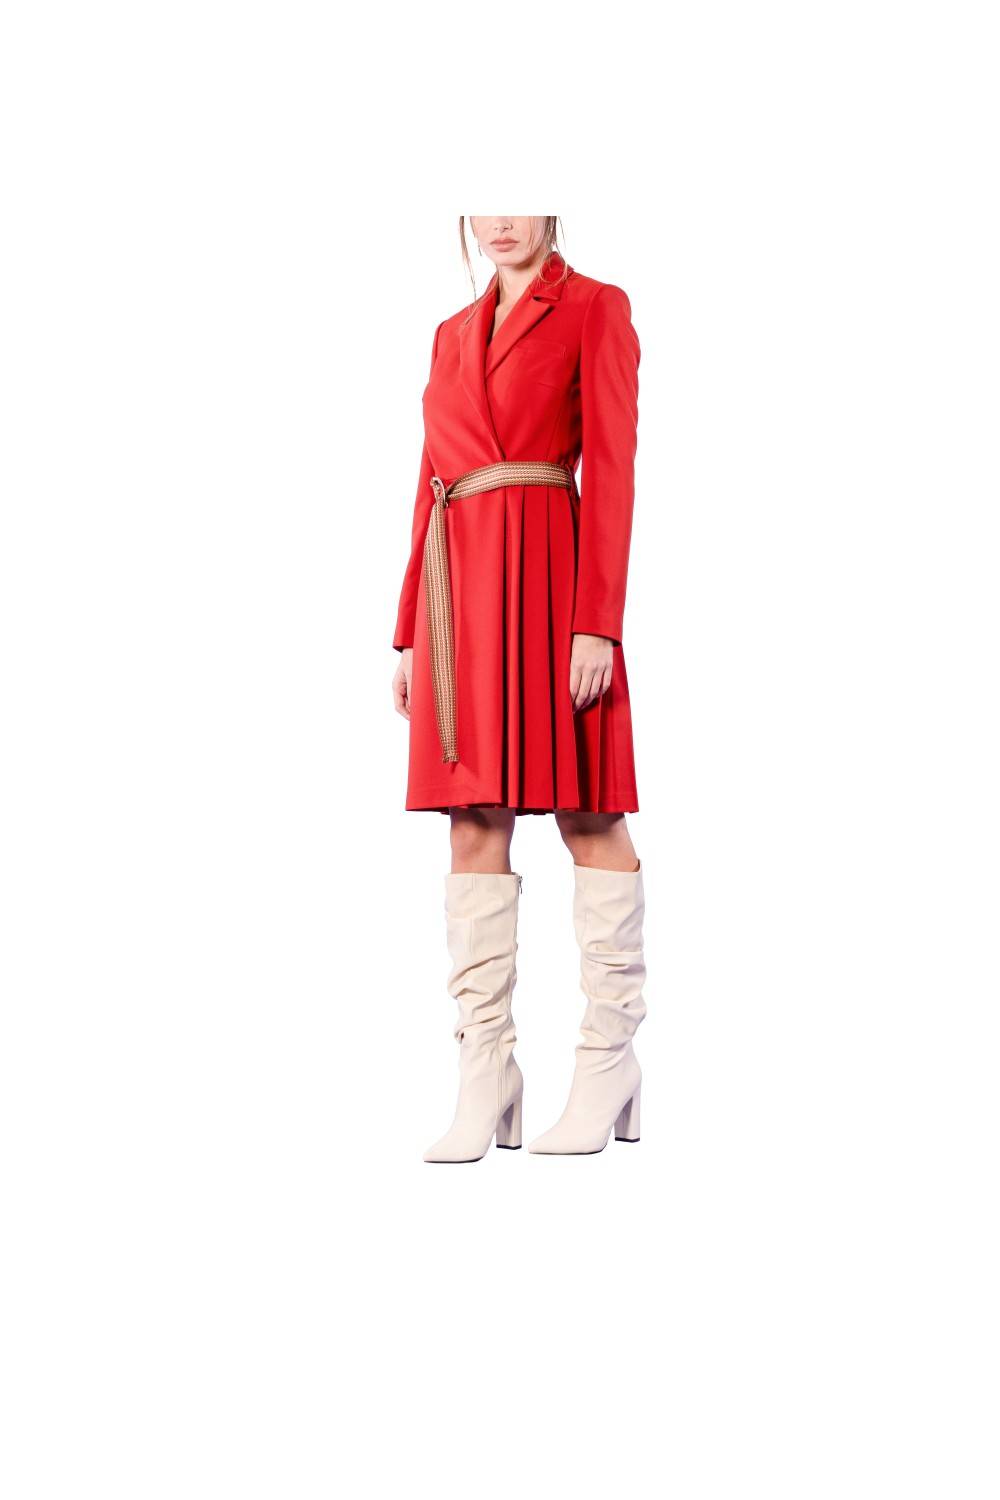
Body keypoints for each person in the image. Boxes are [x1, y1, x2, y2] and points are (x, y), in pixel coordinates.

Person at [392, 217, 647, 1162]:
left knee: (589, 814)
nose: (501, 220)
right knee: (471, 823)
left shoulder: (595, 309)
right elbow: (430, 483)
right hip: (460, 594)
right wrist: (408, 632)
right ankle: (486, 1073)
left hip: (550, 580)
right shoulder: (449, 334)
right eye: (483, 199)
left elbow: (612, 472)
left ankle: (608, 1059)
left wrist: (597, 621)